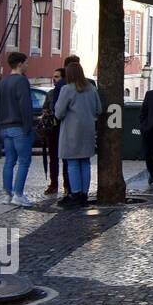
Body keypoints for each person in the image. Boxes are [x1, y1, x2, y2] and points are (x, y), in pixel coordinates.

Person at [54, 60, 102, 207]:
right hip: (87, 130)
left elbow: (59, 112)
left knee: (73, 162)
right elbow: (99, 109)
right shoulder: (91, 89)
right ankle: (84, 195)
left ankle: (75, 193)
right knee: (85, 162)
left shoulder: (67, 90)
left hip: (71, 131)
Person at [0, 51, 34, 207]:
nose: (27, 65)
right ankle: (18, 193)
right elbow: (25, 105)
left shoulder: (3, 82)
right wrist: (28, 126)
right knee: (24, 161)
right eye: (26, 63)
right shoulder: (21, 81)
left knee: (9, 161)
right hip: (19, 126)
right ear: (19, 64)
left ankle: (7, 193)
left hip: (5, 126)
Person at [42, 67, 69, 198]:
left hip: (63, 128)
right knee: (53, 158)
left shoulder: (66, 91)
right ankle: (53, 184)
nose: (54, 79)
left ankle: (67, 185)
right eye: (54, 77)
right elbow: (45, 108)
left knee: (65, 158)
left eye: (57, 77)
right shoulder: (50, 94)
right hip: (52, 129)